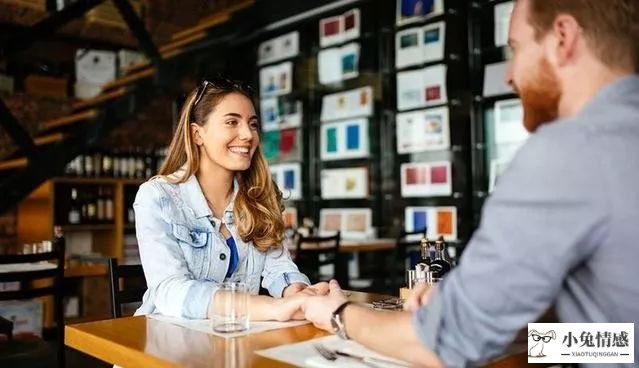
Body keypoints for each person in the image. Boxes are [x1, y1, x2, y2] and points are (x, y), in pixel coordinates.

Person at [303, 0, 639, 366]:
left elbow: (444, 346)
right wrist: (486, 312)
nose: (510, 75)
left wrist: (340, 314)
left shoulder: (571, 149)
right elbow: (621, 339)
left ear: (563, 37)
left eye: (516, 49)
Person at [134, 78, 327, 321]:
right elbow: (170, 291)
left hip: (235, 343)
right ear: (197, 134)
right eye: (231, 122)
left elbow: (279, 268)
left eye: (253, 124)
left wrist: (299, 294)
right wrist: (271, 308)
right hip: (164, 345)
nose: (248, 134)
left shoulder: (261, 197)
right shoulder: (158, 197)